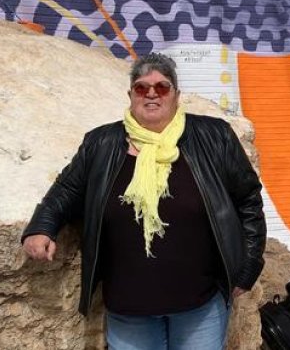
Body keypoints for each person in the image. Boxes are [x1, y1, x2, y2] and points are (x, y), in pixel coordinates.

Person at [22, 53, 266, 350]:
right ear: (130, 95)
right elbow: (66, 190)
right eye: (141, 88)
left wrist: (249, 264)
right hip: (129, 308)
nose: (151, 93)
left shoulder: (214, 137)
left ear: (176, 95)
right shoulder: (101, 143)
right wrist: (42, 227)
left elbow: (248, 202)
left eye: (162, 87)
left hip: (200, 305)